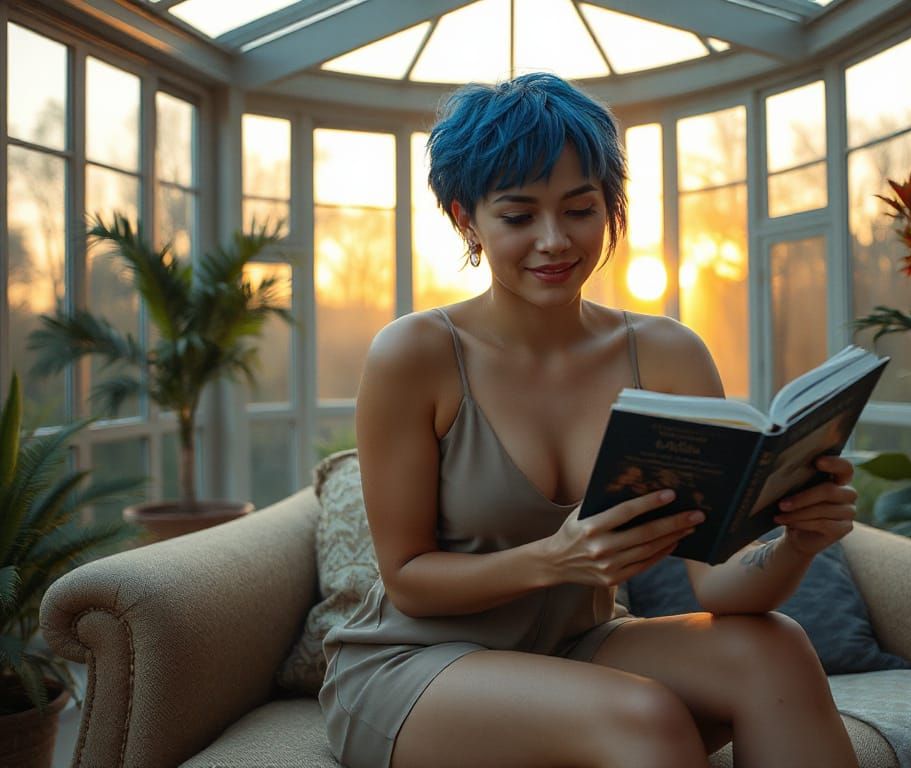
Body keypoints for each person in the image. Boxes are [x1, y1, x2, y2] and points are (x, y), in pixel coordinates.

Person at [319, 72, 859, 768]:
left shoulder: (668, 355)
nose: (554, 241)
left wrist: (798, 540)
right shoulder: (415, 355)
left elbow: (721, 586)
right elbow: (409, 580)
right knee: (644, 717)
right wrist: (555, 559)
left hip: (577, 646)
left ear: (610, 206)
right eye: (518, 216)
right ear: (465, 217)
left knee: (776, 648)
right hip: (415, 663)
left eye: (580, 209)